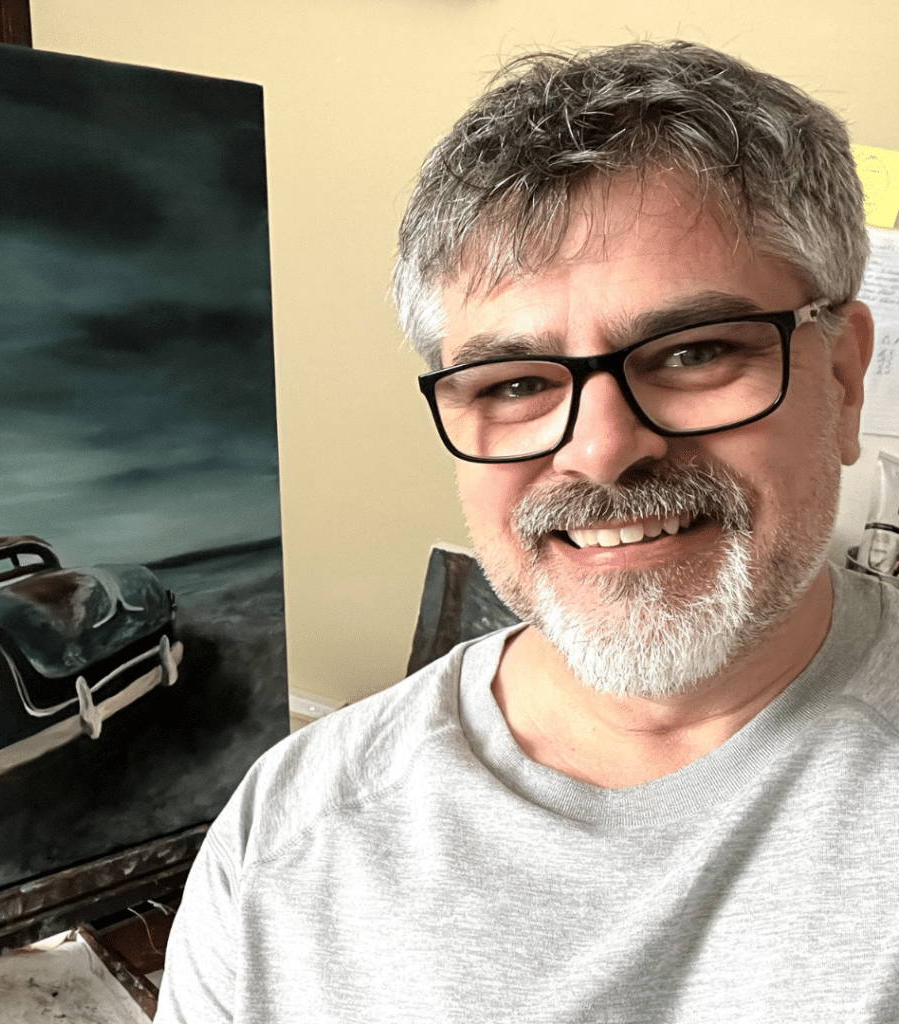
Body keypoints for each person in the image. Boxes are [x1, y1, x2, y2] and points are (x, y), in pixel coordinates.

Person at [156, 42, 896, 1023]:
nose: (599, 450)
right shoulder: (289, 837)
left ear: (841, 381)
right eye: (513, 382)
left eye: (692, 352)